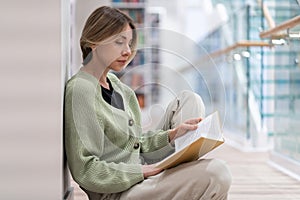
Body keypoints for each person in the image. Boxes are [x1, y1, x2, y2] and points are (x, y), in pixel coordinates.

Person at [64, 6, 231, 200]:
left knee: (190, 99)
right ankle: (183, 177)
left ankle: (181, 171)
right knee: (217, 173)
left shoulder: (118, 86)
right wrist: (141, 171)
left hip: (139, 167)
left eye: (129, 43)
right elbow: (85, 169)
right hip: (117, 191)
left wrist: (171, 135)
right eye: (119, 42)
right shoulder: (81, 90)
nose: (127, 51)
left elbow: (135, 144)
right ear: (94, 43)